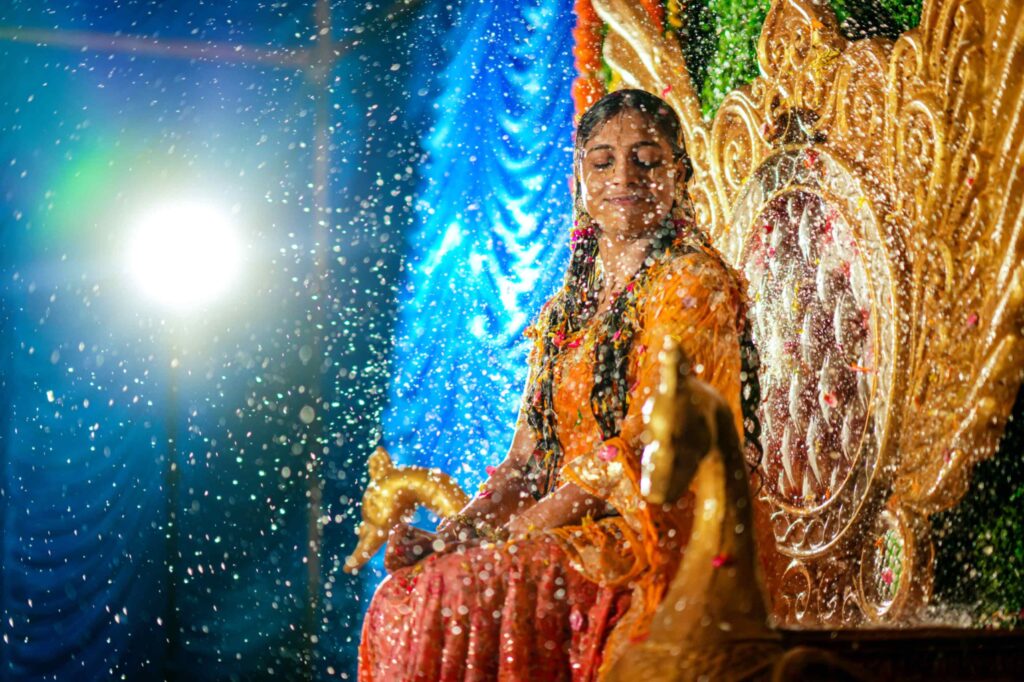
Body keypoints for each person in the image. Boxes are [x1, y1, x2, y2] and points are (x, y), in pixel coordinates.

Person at [359, 89, 758, 681]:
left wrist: (520, 533)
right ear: (581, 179)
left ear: (680, 172)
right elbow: (524, 461)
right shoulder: (563, 314)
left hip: (649, 538)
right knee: (406, 591)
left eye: (646, 158)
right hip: (563, 528)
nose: (624, 175)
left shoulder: (693, 285)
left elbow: (642, 448)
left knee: (465, 591)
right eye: (602, 161)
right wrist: (458, 533)